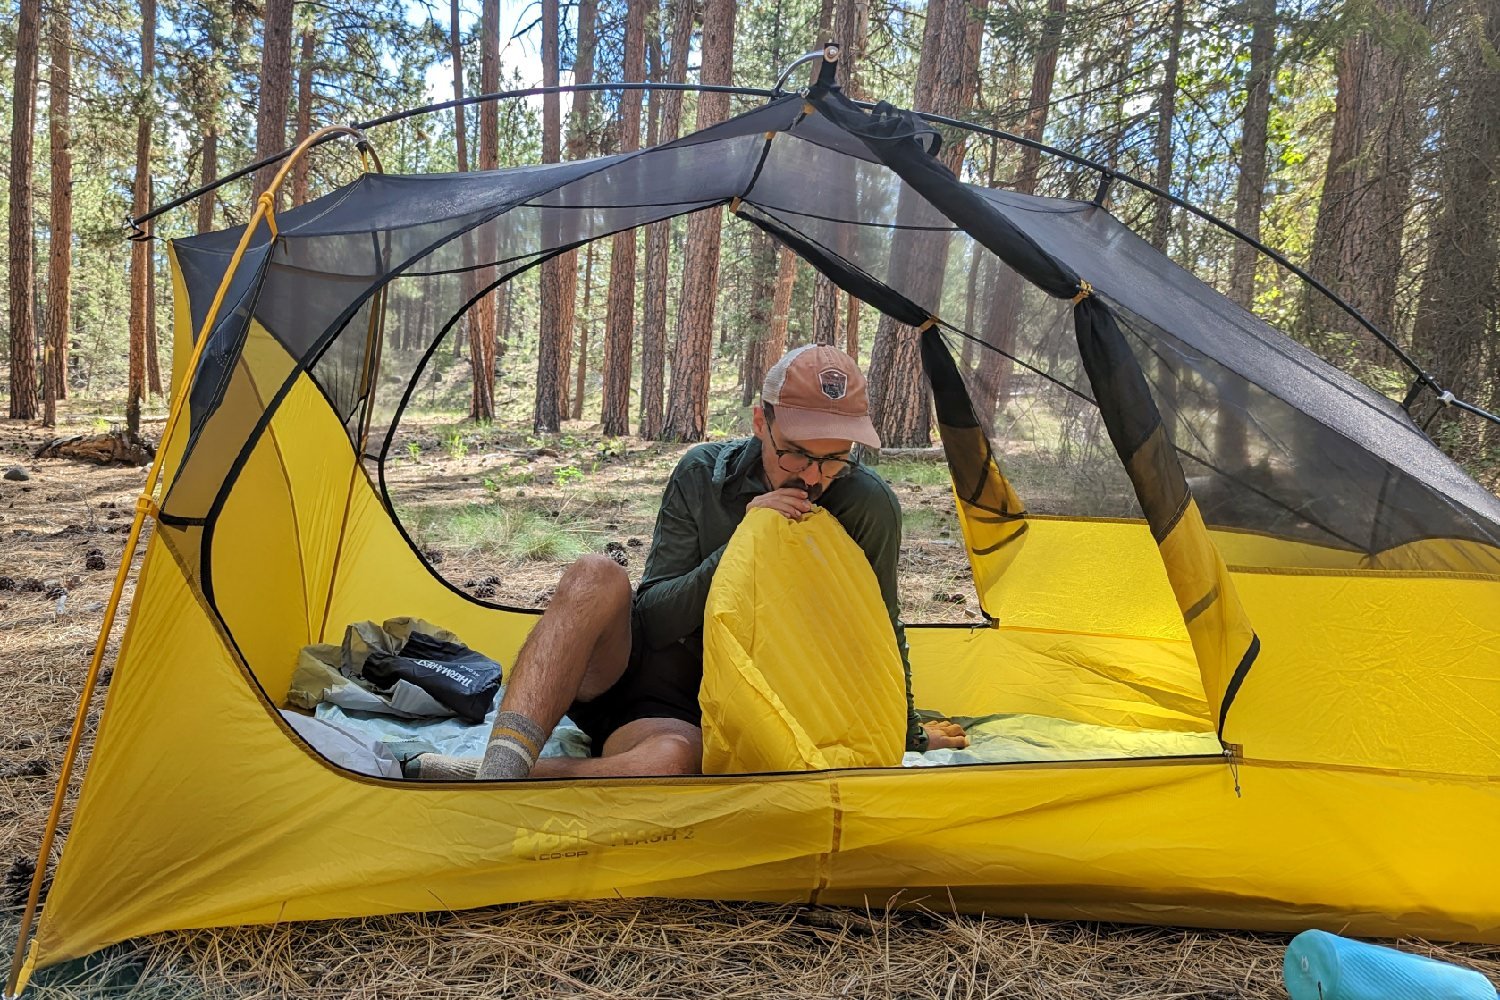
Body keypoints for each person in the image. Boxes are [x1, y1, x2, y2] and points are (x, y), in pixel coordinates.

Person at [406, 344, 968, 781]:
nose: (813, 476)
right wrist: (747, 537)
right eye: (796, 451)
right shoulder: (703, 473)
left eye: (834, 459)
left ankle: (491, 778)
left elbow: (879, 629)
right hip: (626, 673)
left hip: (703, 713)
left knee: (675, 764)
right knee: (593, 574)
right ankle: (502, 762)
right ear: (760, 423)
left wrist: (908, 731)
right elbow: (652, 615)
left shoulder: (866, 505)